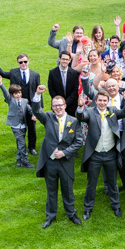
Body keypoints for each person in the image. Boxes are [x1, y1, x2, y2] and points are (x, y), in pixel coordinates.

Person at [31, 85, 83, 229]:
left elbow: (79, 141)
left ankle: (71, 213)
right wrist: (37, 94)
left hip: (66, 162)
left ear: (65, 105)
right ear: (52, 107)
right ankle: (50, 216)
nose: (58, 108)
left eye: (60, 105)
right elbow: (36, 110)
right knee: (51, 191)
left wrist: (65, 152)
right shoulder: (47, 117)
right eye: (55, 106)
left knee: (68, 190)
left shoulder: (74, 121)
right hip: (50, 162)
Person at [76, 89, 125, 220]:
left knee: (112, 182)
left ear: (108, 101)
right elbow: (81, 117)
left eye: (104, 101)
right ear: (96, 101)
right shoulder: (90, 112)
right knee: (91, 183)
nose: (102, 103)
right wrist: (79, 106)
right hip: (95, 154)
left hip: (110, 153)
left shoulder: (112, 111)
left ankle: (116, 206)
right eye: (100, 100)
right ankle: (87, 208)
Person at [0, 53, 41, 156]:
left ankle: (32, 148)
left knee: (32, 127)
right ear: (18, 63)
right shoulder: (14, 72)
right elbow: (2, 74)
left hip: (30, 105)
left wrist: (39, 107)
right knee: (20, 128)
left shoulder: (35, 75)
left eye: (25, 61)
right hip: (18, 106)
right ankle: (21, 149)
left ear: (28, 61)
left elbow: (38, 91)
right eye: (21, 62)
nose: (23, 64)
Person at [0, 74, 36, 168]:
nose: (18, 95)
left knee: (19, 143)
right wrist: (1, 83)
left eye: (19, 93)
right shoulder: (10, 100)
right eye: (16, 93)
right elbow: (5, 92)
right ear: (12, 95)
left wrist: (33, 115)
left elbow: (30, 109)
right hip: (15, 125)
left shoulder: (25, 101)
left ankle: (19, 160)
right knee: (22, 143)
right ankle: (25, 160)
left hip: (23, 125)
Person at [48, 51, 80, 116]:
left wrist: (66, 103)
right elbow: (51, 89)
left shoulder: (74, 73)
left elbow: (75, 90)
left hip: (71, 105)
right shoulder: (52, 73)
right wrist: (59, 103)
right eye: (63, 59)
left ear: (69, 60)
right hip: (57, 106)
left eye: (67, 59)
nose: (65, 61)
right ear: (59, 59)